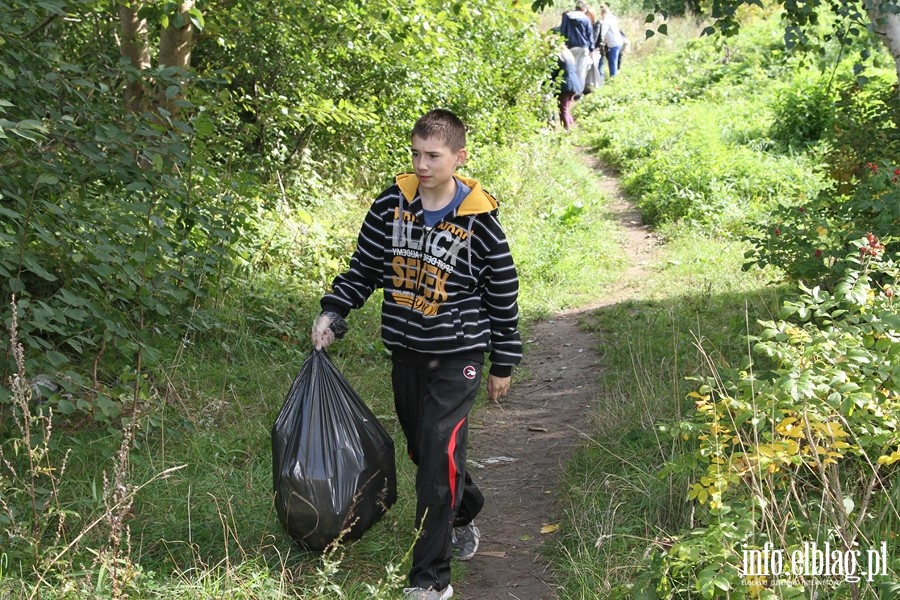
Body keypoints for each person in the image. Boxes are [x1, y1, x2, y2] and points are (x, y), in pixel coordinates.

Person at [311, 109, 522, 600]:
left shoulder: (480, 222)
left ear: (458, 157)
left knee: (437, 458)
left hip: (459, 356)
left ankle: (430, 581)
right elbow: (363, 266)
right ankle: (464, 508)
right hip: (406, 351)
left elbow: (503, 294)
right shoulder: (392, 203)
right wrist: (334, 312)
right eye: (416, 154)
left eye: (433, 155)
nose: (422, 165)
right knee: (423, 451)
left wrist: (503, 361)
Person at [558, 1, 595, 91]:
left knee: (570, 70)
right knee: (581, 71)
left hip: (570, 47)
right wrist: (591, 49)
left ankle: (570, 90)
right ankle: (578, 93)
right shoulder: (586, 19)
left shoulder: (567, 16)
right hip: (583, 47)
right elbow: (590, 35)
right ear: (584, 8)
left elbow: (562, 31)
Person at [556, 46, 583, 130]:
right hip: (574, 85)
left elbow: (553, 73)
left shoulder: (559, 58)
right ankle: (572, 127)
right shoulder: (568, 57)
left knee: (563, 110)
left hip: (566, 86)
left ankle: (567, 129)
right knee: (566, 109)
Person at [598, 5, 625, 78]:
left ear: (603, 13)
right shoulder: (612, 19)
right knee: (614, 60)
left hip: (614, 44)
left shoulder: (606, 21)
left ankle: (613, 78)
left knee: (612, 61)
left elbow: (603, 32)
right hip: (618, 42)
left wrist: (600, 41)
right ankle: (614, 76)